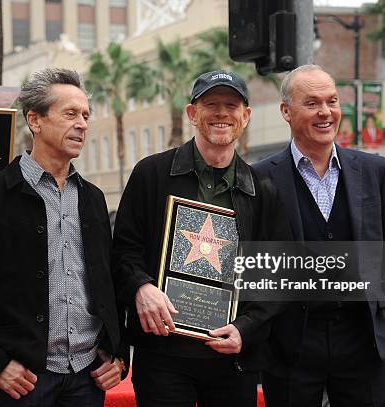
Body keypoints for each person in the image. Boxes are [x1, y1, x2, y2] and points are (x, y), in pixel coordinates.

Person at [0, 68, 126, 407]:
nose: (82, 124)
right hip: (22, 381)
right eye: (70, 114)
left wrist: (117, 351)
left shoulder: (94, 198)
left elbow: (109, 282)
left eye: (86, 115)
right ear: (35, 121)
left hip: (87, 379)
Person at [111, 70, 292, 406]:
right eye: (211, 104)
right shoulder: (151, 174)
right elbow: (123, 250)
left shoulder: (263, 191)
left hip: (232, 360)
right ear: (192, 113)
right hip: (162, 354)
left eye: (231, 105)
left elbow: (275, 276)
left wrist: (247, 328)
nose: (222, 113)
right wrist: (141, 286)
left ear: (246, 116)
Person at [253, 64, 385, 407]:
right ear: (286, 111)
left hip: (364, 338)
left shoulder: (375, 170)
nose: (326, 112)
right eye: (311, 103)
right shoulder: (259, 178)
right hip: (290, 345)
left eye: (332, 101)